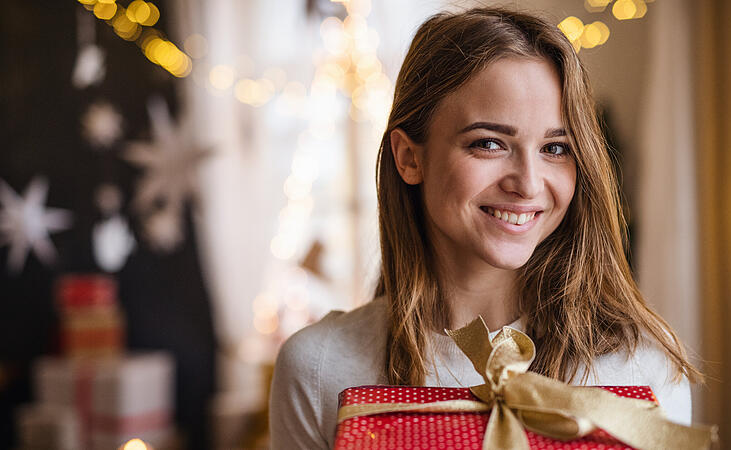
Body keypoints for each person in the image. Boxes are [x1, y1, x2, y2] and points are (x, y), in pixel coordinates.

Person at [269, 7, 701, 449]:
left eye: (555, 147)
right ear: (408, 157)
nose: (529, 183)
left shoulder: (642, 365)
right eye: (489, 143)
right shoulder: (319, 368)